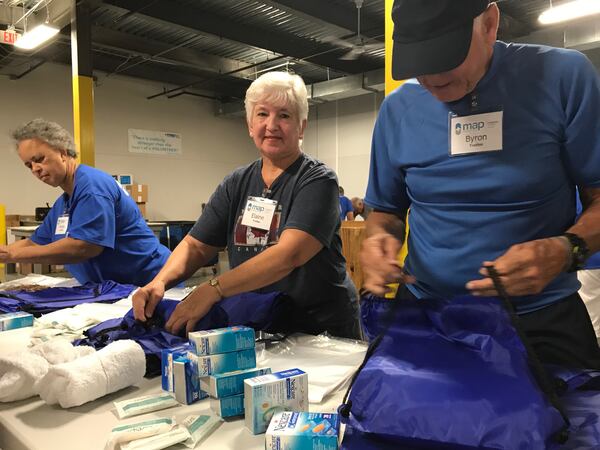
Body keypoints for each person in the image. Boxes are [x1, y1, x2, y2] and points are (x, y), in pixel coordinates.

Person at [360, 0, 600, 369]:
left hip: (538, 319)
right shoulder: (398, 109)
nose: (432, 79)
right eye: (418, 63)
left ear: (489, 24)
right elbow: (387, 211)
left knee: (572, 423)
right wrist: (378, 240)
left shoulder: (563, 78)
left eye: (446, 56)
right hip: (427, 315)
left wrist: (568, 249)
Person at [133, 71, 360, 338]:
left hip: (321, 329)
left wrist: (214, 288)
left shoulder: (317, 179)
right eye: (262, 114)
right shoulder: (236, 183)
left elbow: (289, 255)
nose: (272, 125)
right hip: (263, 321)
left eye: (285, 115)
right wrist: (159, 283)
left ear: (301, 127)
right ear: (250, 124)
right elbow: (195, 245)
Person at [0, 119, 171, 287]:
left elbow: (84, 247)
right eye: (29, 165)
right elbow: (35, 242)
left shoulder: (92, 187)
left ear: (63, 152)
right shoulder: (64, 202)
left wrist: (13, 255)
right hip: (115, 290)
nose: (35, 169)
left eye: (40, 159)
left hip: (150, 283)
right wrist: (5, 251)